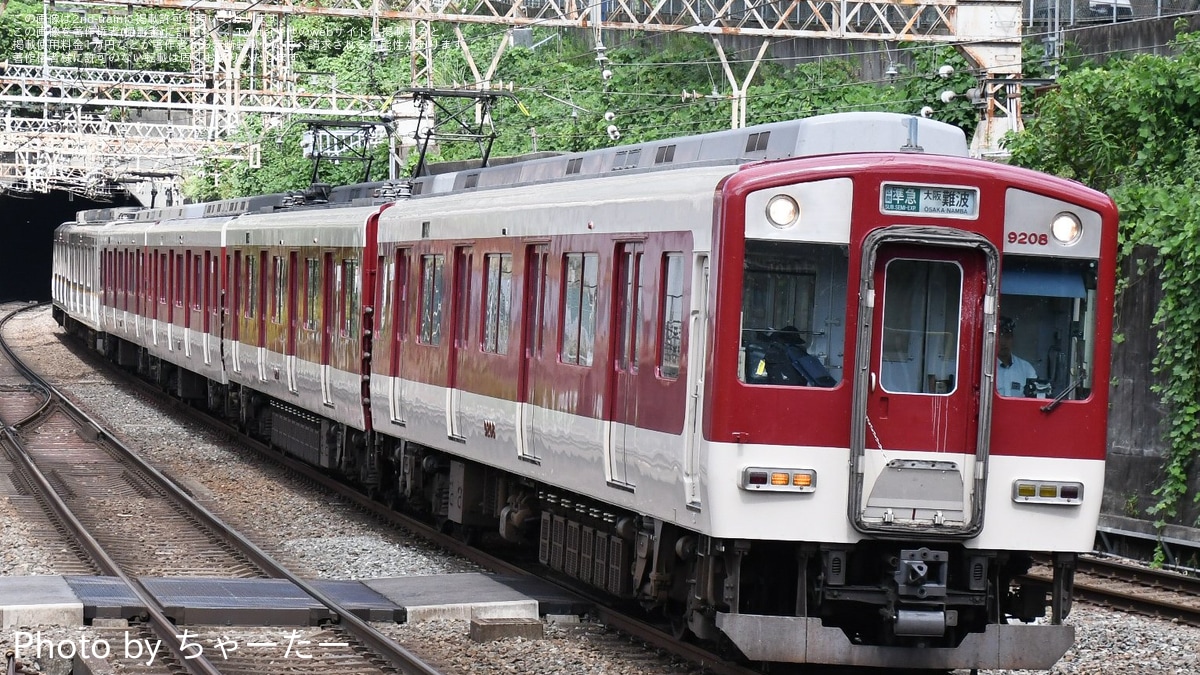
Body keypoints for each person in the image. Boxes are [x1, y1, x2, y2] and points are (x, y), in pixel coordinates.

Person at [996, 316, 1038, 397]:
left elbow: (1035, 398)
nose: (1003, 342)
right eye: (999, 338)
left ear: (1012, 338)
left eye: (1007, 337)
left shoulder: (1026, 369)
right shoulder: (986, 369)